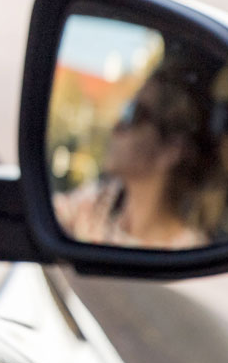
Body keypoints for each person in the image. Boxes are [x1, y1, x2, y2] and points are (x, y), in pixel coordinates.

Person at [54, 65, 215, 249]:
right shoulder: (98, 204)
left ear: (171, 150)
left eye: (135, 115)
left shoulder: (190, 251)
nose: (117, 126)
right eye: (125, 111)